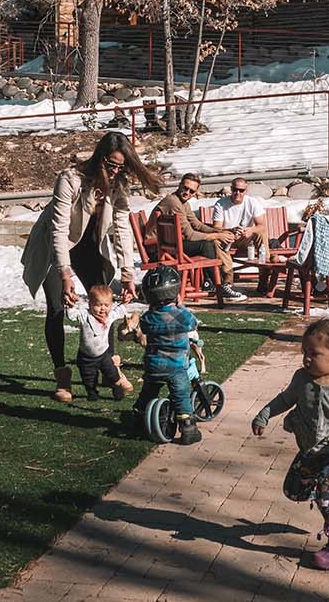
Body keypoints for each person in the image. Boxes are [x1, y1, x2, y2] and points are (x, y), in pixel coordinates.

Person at [21, 131, 161, 402]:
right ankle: (62, 374)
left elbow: (122, 227)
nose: (116, 170)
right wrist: (65, 274)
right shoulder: (70, 179)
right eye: (112, 164)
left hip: (88, 247)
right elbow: (58, 229)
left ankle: (109, 369)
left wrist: (127, 274)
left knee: (104, 303)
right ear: (100, 157)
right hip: (54, 246)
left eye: (122, 166)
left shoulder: (119, 184)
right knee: (58, 308)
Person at [251, 318, 329, 570]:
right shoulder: (301, 379)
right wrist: (264, 414)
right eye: (304, 353)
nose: (306, 359)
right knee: (294, 491)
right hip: (309, 451)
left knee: (326, 501)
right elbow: (284, 399)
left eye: (314, 354)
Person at [150, 173, 248, 302]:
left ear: (195, 192)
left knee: (206, 242)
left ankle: (210, 283)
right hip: (159, 249)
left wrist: (223, 231)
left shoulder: (183, 203)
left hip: (168, 245)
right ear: (179, 185)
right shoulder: (173, 203)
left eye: (191, 191)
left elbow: (197, 225)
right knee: (205, 244)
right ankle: (219, 285)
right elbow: (191, 234)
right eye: (185, 188)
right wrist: (217, 235)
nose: (187, 192)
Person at [134, 265, 203, 445]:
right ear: (175, 292)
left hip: (153, 366)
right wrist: (181, 306)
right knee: (181, 396)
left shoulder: (148, 318)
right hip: (176, 366)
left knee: (149, 391)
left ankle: (139, 415)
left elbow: (144, 326)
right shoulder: (182, 316)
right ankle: (188, 429)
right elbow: (193, 323)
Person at [74, 284, 133, 400]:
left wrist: (125, 303)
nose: (102, 308)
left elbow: (119, 311)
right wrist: (70, 305)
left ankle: (117, 387)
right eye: (98, 305)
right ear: (89, 304)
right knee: (89, 378)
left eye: (106, 305)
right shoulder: (85, 316)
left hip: (103, 355)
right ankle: (92, 393)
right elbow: (71, 315)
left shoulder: (109, 316)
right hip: (86, 357)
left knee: (113, 374)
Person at [212, 177, 269, 256]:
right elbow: (216, 228)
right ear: (231, 189)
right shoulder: (220, 204)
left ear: (246, 191)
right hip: (228, 238)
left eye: (241, 190)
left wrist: (251, 230)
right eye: (235, 190)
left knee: (261, 234)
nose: (238, 193)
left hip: (245, 239)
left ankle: (265, 264)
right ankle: (225, 268)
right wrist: (231, 230)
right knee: (215, 241)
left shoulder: (253, 202)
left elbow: (262, 226)